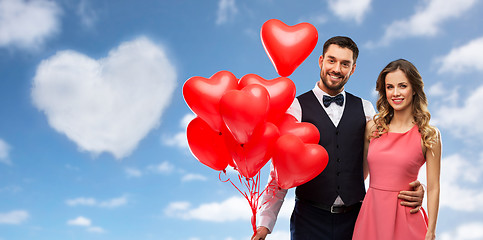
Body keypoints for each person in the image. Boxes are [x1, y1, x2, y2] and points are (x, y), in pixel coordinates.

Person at [251, 36, 425, 240]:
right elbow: (279, 173)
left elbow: (391, 156)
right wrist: (265, 224)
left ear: (353, 69)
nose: (336, 69)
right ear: (321, 61)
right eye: (331, 60)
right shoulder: (295, 108)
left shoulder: (366, 109)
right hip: (308, 221)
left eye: (345, 64)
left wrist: (413, 186)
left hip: (357, 220)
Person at [352, 59, 441, 240]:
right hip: (371, 217)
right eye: (390, 87)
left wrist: (431, 231)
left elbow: (434, 187)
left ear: (414, 89)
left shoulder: (428, 135)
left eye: (402, 86)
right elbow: (360, 174)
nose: (396, 93)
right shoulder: (373, 128)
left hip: (408, 220)